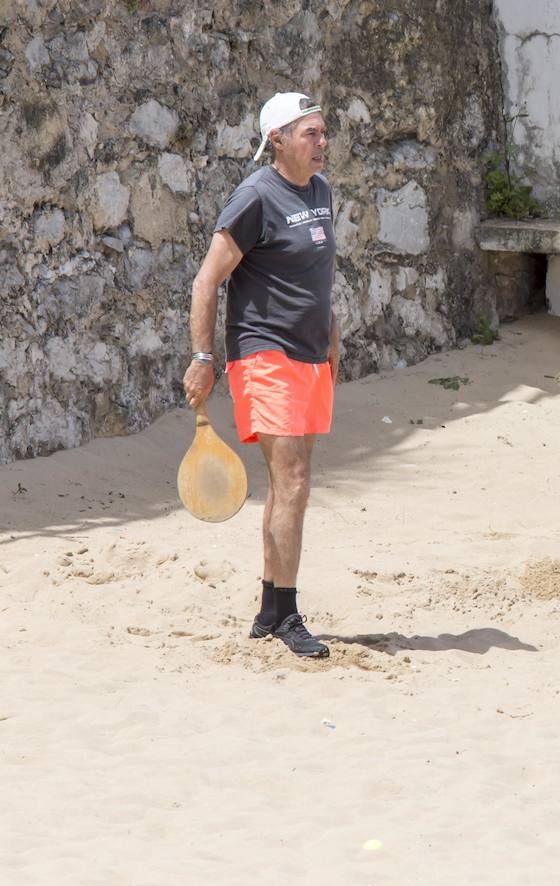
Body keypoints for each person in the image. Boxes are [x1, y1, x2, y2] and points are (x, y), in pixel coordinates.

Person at [182, 92, 339, 658]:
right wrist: (204, 359)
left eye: (324, 133)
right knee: (294, 478)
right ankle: (291, 613)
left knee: (287, 483)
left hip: (311, 357)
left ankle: (271, 609)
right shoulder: (253, 197)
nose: (323, 143)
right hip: (262, 354)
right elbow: (206, 281)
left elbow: (319, 276)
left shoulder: (320, 192)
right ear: (278, 139)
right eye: (311, 134)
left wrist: (332, 342)